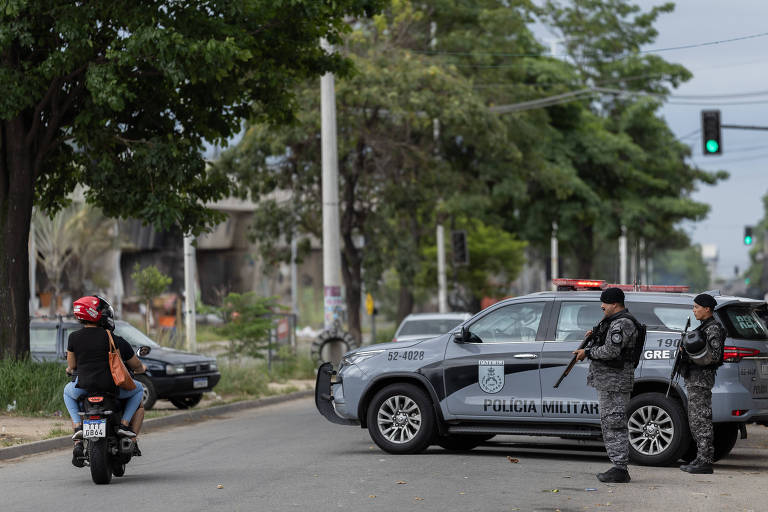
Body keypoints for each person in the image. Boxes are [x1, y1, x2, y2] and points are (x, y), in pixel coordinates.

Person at [63, 295, 147, 467]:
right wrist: (141, 369)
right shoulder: (113, 338)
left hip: (84, 388)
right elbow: (135, 364)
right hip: (111, 389)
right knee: (138, 390)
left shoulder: (74, 338)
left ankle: (78, 429)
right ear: (99, 315)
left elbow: (72, 366)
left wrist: (70, 370)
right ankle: (124, 424)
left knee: (67, 392)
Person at [573, 287, 638, 484]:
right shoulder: (612, 323)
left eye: (604, 303)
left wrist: (588, 352)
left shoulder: (622, 323)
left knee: (615, 423)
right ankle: (618, 465)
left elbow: (611, 351)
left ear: (615, 304)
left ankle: (620, 468)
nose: (602, 306)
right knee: (610, 422)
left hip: (615, 382)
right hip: (609, 381)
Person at [679, 293, 725, 475]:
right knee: (695, 420)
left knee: (701, 420)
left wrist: (690, 354)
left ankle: (705, 460)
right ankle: (700, 457)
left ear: (707, 309)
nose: (694, 310)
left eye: (697, 307)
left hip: (701, 379)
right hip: (695, 379)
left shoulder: (713, 328)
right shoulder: (704, 327)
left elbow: (714, 356)